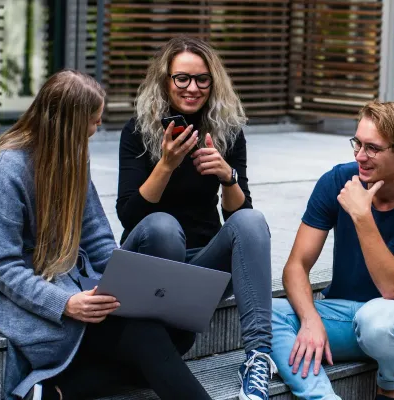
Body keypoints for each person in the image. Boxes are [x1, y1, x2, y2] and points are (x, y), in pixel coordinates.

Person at [0, 70, 213, 400]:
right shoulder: (5, 172)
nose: (97, 129)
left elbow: (97, 238)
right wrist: (66, 303)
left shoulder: (71, 158)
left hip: (77, 286)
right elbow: (4, 268)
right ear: (68, 123)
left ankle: (58, 391)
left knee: (179, 333)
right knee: (147, 338)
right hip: (28, 304)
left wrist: (124, 283)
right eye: (94, 121)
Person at [115, 36, 275, 400]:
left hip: (203, 265)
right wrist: (167, 165)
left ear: (213, 82)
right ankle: (162, 343)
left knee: (252, 221)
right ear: (165, 80)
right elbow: (129, 215)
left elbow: (238, 213)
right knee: (163, 226)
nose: (192, 88)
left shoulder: (226, 130)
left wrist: (226, 176)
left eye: (202, 79)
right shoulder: (139, 130)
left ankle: (258, 359)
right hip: (152, 259)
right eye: (181, 78)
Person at [270, 101, 394, 399]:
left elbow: (393, 287)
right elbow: (296, 266)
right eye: (357, 143)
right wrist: (310, 319)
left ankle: (392, 386)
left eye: (372, 148)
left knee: (378, 321)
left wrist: (362, 215)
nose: (360, 156)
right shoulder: (336, 180)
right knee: (266, 313)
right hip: (342, 313)